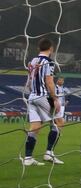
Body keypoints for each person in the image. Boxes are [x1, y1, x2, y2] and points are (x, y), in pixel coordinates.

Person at [22, 38, 60, 166]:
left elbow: (29, 80)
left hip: (31, 96)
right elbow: (49, 81)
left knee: (35, 128)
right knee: (56, 125)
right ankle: (48, 154)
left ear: (39, 48)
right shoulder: (49, 62)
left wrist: (30, 92)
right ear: (51, 49)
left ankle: (28, 158)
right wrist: (55, 99)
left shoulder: (32, 61)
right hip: (41, 96)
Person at [43, 75, 69, 164]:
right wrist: (55, 101)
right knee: (59, 124)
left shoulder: (63, 88)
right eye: (60, 79)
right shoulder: (54, 87)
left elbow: (66, 95)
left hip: (59, 105)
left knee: (58, 125)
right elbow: (52, 94)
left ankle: (49, 151)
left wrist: (65, 102)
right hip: (54, 104)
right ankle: (49, 152)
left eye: (63, 79)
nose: (61, 81)